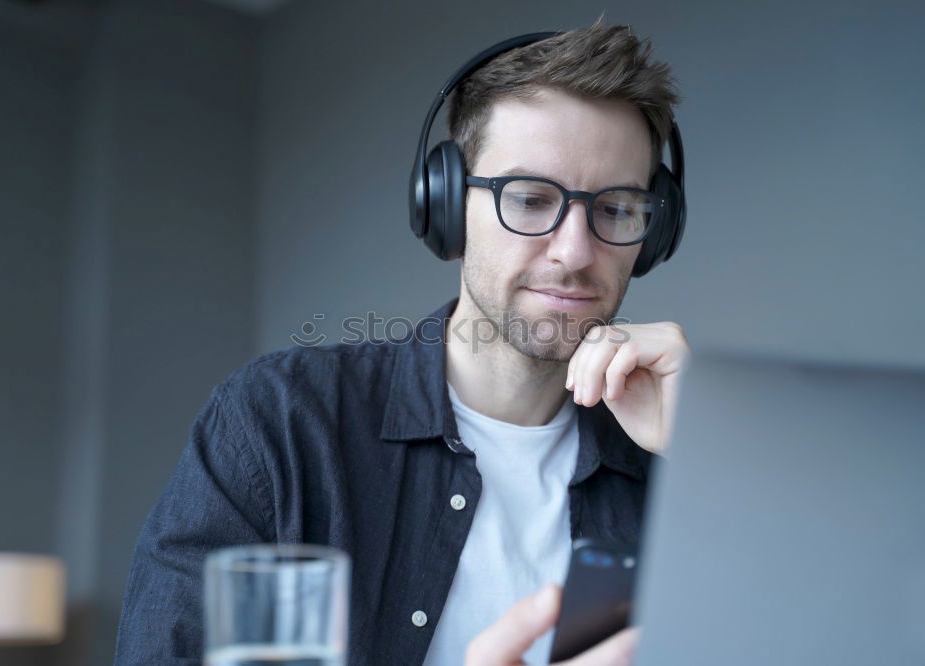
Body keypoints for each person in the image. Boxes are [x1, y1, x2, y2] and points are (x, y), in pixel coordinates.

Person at [113, 17, 690, 666]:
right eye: (530, 199)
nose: (576, 251)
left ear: (653, 234)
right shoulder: (277, 423)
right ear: (444, 205)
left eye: (615, 209)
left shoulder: (676, 466)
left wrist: (711, 461)